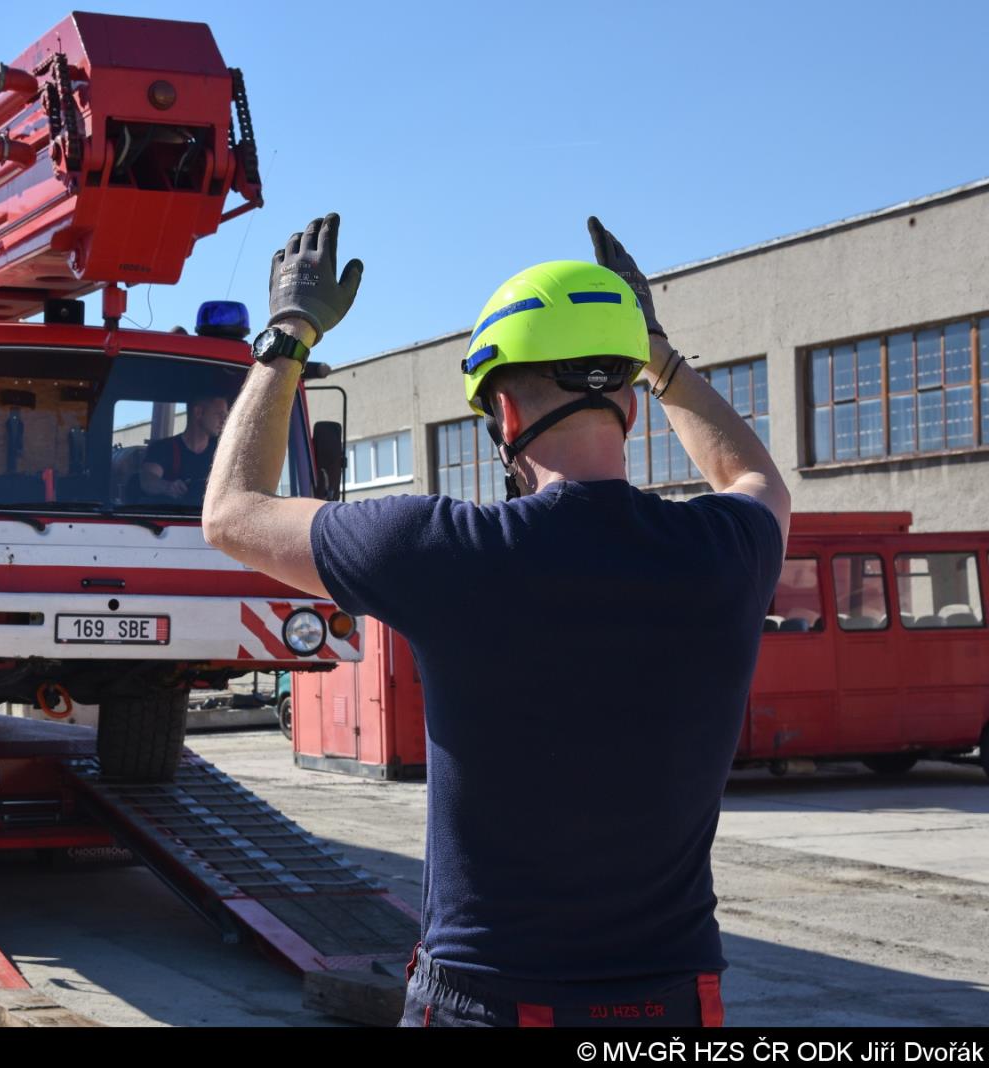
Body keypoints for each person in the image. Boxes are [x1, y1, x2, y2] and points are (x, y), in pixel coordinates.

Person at [203, 213, 790, 1028]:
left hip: (492, 1001)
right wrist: (656, 350)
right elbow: (753, 474)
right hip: (675, 1001)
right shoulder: (723, 552)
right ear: (630, 402)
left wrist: (287, 336)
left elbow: (232, 511)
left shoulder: (446, 551)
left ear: (504, 418)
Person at [139, 393, 229, 499]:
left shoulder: (223, 452)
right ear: (198, 412)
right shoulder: (163, 448)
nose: (224, 421)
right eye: (219, 414)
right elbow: (147, 480)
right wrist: (167, 487)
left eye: (225, 416)